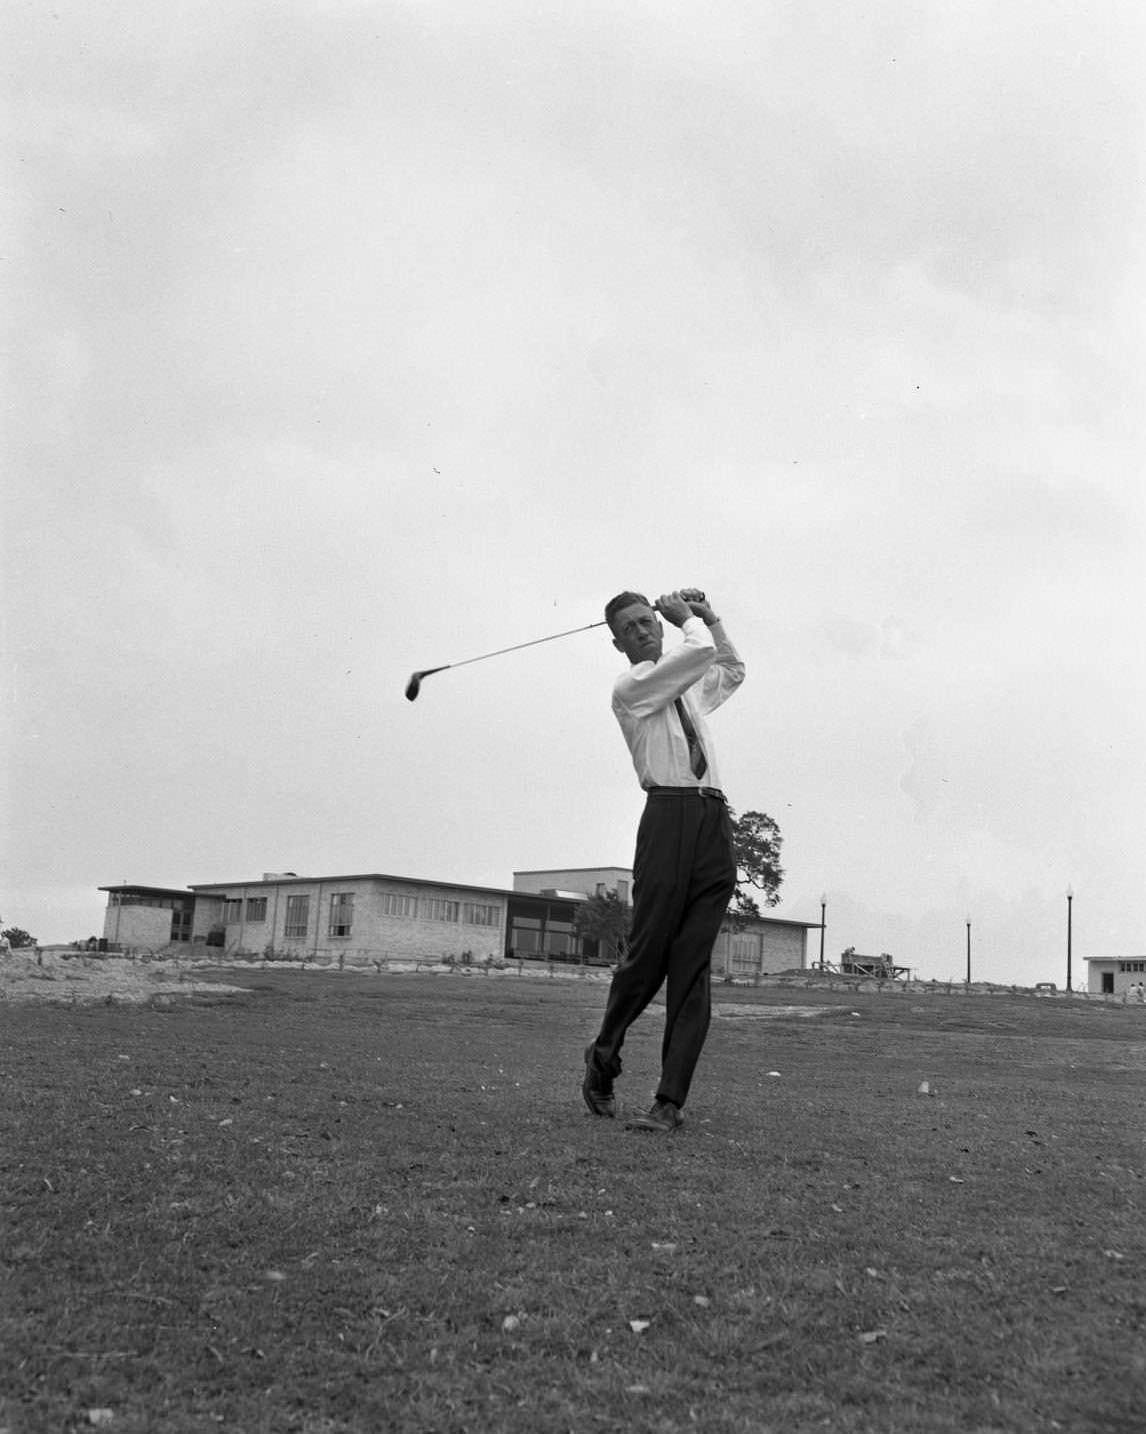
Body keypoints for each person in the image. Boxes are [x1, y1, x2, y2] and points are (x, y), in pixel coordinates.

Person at [582, 587, 745, 1133]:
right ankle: (603, 1056)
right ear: (616, 642)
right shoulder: (633, 687)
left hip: (712, 819)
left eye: (647, 621)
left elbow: (730, 668)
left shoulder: (687, 680)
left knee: (691, 968)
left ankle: (668, 1102)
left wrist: (708, 616)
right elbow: (696, 655)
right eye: (628, 628)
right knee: (649, 957)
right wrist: (685, 623)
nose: (642, 631)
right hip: (668, 816)